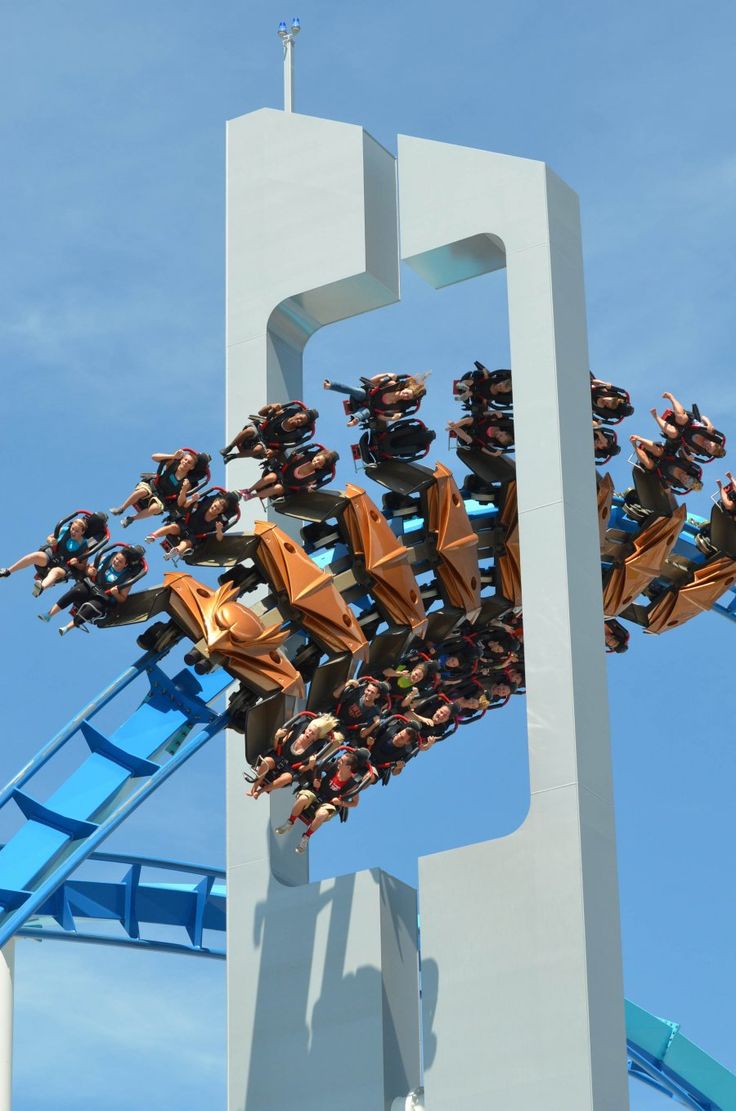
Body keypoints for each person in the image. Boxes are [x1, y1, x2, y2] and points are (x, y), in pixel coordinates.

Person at [274, 748, 373, 854]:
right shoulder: (333, 767)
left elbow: (355, 803)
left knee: (322, 814)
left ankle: (306, 837)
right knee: (303, 798)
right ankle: (290, 822)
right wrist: (317, 779)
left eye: (342, 761)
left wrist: (341, 803)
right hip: (317, 791)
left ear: (348, 767)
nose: (339, 760)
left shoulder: (352, 784)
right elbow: (318, 768)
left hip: (329, 802)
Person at [38, 545, 145, 635]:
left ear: (125, 565)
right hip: (91, 586)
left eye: (120, 562)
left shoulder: (127, 578)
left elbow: (122, 599)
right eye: (116, 558)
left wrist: (116, 594)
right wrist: (90, 571)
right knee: (77, 590)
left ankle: (67, 628)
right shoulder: (106, 559)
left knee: (91, 607)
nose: (116, 561)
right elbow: (88, 568)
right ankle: (49, 614)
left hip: (103, 597)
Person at [246, 712, 342, 799]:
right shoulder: (295, 732)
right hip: (279, 756)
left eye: (312, 734)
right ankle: (254, 787)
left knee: (287, 778)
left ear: (315, 738)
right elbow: (277, 747)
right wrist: (277, 737)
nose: (309, 733)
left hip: (291, 768)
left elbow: (301, 769)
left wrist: (309, 765)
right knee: (266, 761)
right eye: (309, 730)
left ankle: (260, 791)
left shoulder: (313, 750)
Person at [110, 449, 211, 527]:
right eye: (185, 460)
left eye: (189, 463)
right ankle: (121, 508)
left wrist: (184, 490)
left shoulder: (188, 482)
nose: (185, 463)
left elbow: (181, 503)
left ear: (192, 467)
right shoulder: (173, 463)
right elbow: (154, 457)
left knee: (156, 508)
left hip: (163, 499)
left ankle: (132, 518)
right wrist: (173, 456)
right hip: (153, 486)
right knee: (142, 491)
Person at [0, 515, 92, 596]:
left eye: (77, 531)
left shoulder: (84, 546)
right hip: (53, 556)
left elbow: (83, 567)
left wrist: (76, 563)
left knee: (55, 572)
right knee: (35, 556)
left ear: (82, 532)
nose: (73, 532)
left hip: (64, 566)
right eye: (72, 528)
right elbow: (49, 537)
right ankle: (8, 571)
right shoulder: (64, 530)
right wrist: (50, 541)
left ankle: (41, 587)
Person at [145, 489, 240, 560]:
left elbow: (219, 538)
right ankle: (153, 536)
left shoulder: (219, 521)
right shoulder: (203, 505)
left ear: (220, 512)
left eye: (217, 509)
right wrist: (192, 500)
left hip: (194, 536)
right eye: (214, 506)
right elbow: (187, 506)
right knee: (173, 527)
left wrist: (219, 530)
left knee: (187, 543)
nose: (214, 509)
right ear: (213, 503)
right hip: (185, 525)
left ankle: (175, 551)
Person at [221, 402, 318, 462]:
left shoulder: (294, 435)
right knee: (249, 431)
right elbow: (261, 413)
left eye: (302, 422)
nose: (299, 421)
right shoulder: (283, 413)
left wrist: (274, 452)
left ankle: (232, 456)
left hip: (267, 443)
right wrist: (271, 406)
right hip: (260, 429)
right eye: (300, 418)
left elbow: (282, 448)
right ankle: (230, 447)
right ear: (297, 413)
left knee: (258, 449)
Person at [323, 372, 430, 426]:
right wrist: (386, 374)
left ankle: (354, 420)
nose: (405, 396)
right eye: (407, 393)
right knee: (357, 391)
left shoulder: (397, 407)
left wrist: (392, 418)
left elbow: (380, 416)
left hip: (371, 409)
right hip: (367, 395)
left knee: (365, 412)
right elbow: (372, 381)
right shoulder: (392, 384)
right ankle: (330, 385)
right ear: (406, 388)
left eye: (408, 397)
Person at [240, 445, 339, 502]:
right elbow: (288, 461)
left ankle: (252, 496)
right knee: (272, 476)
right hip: (282, 474)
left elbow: (307, 488)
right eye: (317, 459)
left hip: (288, 487)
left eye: (319, 463)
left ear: (321, 467)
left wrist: (309, 489)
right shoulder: (302, 458)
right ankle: (249, 490)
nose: (316, 462)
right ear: (315, 456)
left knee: (279, 487)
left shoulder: (313, 478)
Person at [629, 434, 703, 493]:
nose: (685, 480)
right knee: (659, 452)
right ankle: (638, 438)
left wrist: (667, 489)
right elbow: (682, 451)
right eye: (689, 480)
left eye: (686, 484)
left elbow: (665, 484)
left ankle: (634, 445)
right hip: (664, 455)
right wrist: (688, 454)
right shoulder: (687, 466)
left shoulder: (676, 483)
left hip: (657, 467)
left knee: (649, 465)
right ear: (690, 476)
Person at [448, 413, 515, 455]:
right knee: (470, 419)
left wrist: (494, 453)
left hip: (476, 437)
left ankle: (454, 428)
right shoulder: (496, 423)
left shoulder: (491, 442)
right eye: (501, 435)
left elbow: (483, 449)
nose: (498, 436)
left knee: (469, 439)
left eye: (498, 438)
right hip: (476, 425)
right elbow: (486, 415)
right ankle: (454, 425)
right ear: (504, 431)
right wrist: (492, 414)